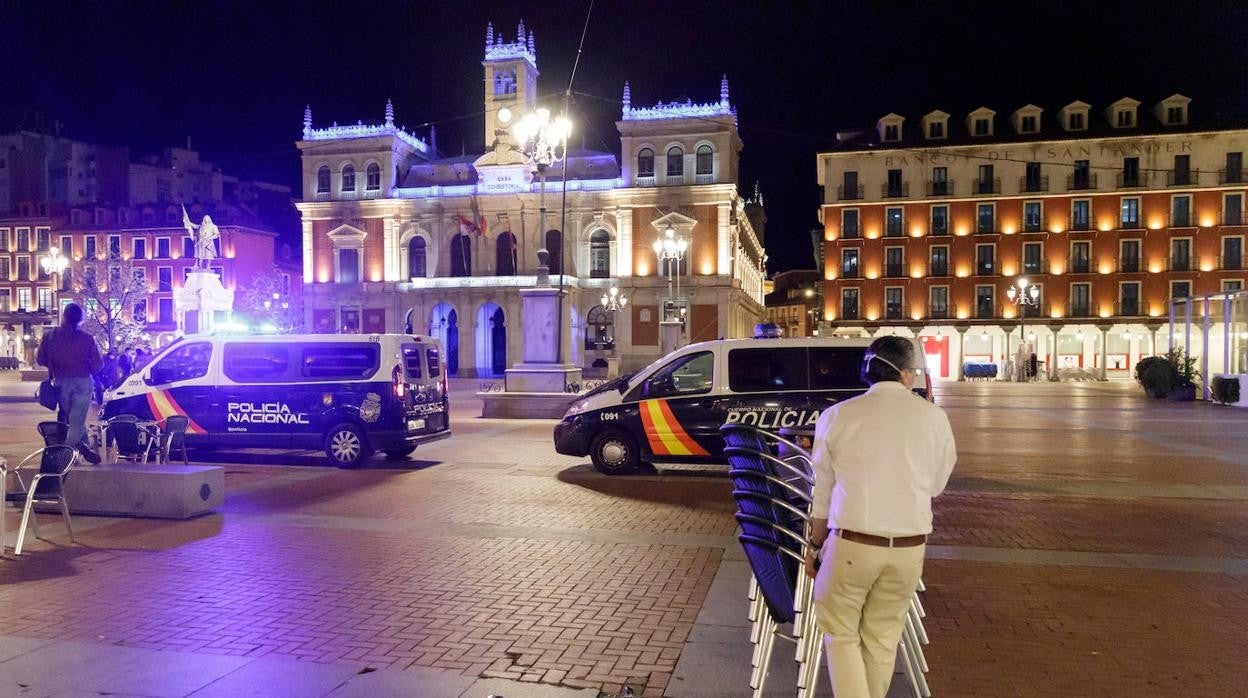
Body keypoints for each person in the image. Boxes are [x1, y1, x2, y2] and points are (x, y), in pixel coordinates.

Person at [804, 336, 957, 698]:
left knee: (841, 632)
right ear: (906, 374)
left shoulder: (838, 415)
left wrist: (814, 545)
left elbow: (822, 492)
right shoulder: (934, 417)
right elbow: (936, 484)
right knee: (882, 638)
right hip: (908, 548)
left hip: (853, 544)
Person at [36, 303, 103, 464]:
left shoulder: (50, 336)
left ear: (63, 316)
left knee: (72, 420)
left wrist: (57, 365)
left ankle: (83, 449)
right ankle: (61, 455)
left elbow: (40, 359)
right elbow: (98, 365)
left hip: (61, 383)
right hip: (82, 382)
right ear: (81, 319)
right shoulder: (87, 339)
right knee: (76, 422)